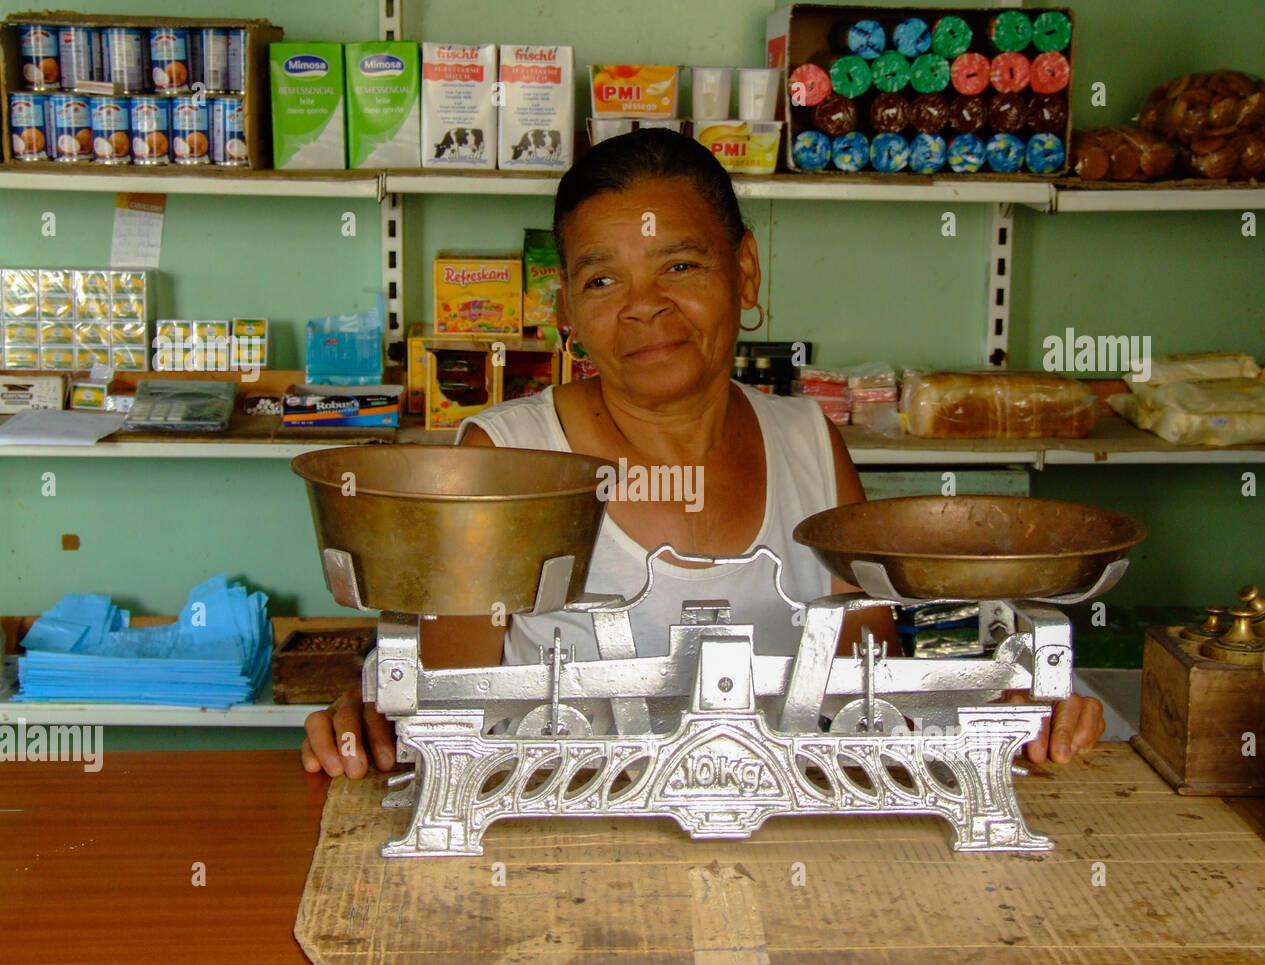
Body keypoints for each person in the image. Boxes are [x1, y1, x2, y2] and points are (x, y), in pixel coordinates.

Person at [301, 128, 1104, 778]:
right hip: (554, 850)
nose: (645, 307)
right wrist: (372, 715)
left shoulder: (807, 444)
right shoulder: (504, 455)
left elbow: (868, 686)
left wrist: (999, 704)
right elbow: (443, 709)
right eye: (603, 281)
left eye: (679, 265)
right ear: (568, 312)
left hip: (785, 849)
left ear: (744, 271)